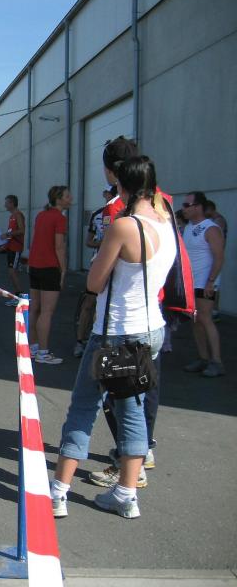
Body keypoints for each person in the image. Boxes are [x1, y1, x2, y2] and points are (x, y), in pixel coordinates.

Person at [51, 156, 175, 519]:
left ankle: (58, 492)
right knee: (132, 410)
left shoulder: (124, 226)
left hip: (116, 332)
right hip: (151, 328)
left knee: (83, 406)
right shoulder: (166, 223)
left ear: (122, 185)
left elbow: (94, 282)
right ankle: (125, 494)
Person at [182, 191, 225, 377]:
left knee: (205, 319)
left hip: (205, 283)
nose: (184, 209)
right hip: (191, 283)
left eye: (187, 205)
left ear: (198, 207)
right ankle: (203, 358)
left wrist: (210, 282)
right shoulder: (188, 228)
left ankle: (217, 362)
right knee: (196, 321)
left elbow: (219, 258)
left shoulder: (211, 228)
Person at [28, 186, 72, 364]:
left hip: (34, 266)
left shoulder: (41, 215)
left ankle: (33, 348)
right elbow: (59, 246)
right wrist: (63, 270)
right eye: (67, 196)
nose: (70, 199)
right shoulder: (60, 218)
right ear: (58, 199)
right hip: (49, 267)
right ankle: (43, 352)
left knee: (35, 309)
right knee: (46, 312)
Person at [74, 187, 116, 357]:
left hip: (118, 268)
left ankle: (101, 344)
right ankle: (80, 341)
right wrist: (105, 244)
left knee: (109, 307)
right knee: (89, 303)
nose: (110, 197)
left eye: (113, 194)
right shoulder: (98, 215)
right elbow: (88, 241)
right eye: (108, 194)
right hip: (99, 264)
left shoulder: (126, 214)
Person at [0, 195, 25, 306]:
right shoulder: (11, 216)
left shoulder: (18, 215)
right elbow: (11, 234)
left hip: (16, 248)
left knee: (12, 272)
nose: (4, 205)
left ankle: (21, 298)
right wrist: (4, 245)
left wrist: (7, 234)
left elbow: (22, 230)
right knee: (12, 272)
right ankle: (17, 297)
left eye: (6, 203)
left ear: (12, 203)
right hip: (11, 247)